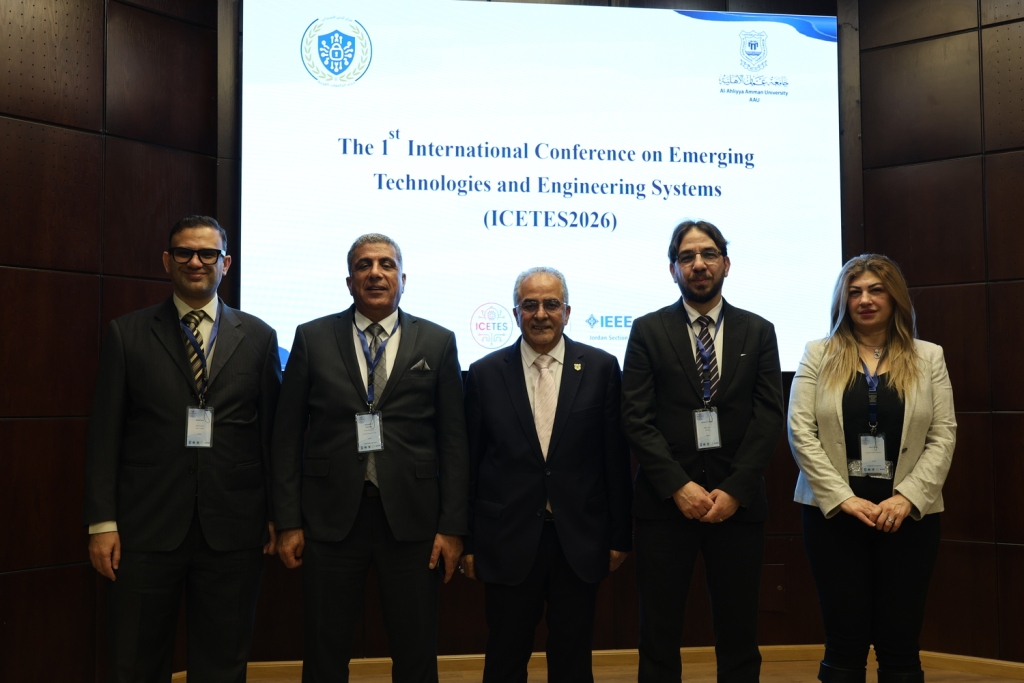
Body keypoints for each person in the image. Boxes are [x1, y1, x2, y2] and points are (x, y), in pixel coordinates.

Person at [83, 215, 282, 683]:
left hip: (234, 529)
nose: (196, 262)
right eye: (184, 253)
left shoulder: (259, 337)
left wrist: (278, 514)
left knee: (223, 663)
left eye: (208, 253)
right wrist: (102, 523)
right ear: (166, 261)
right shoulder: (127, 333)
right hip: (145, 529)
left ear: (225, 263)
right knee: (136, 660)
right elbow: (104, 435)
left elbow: (273, 436)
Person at [271, 233, 469, 683]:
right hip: (329, 519)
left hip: (414, 521)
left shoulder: (438, 341)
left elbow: (455, 441)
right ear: (349, 281)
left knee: (416, 651)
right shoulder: (312, 337)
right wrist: (287, 521)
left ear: (403, 278)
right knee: (324, 651)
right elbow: (286, 437)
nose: (375, 273)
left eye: (386, 264)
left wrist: (453, 527)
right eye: (364, 265)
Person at [621, 219, 784, 682]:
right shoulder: (648, 330)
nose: (699, 264)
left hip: (737, 506)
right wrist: (679, 486)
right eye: (687, 257)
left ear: (726, 264)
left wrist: (734, 490)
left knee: (739, 631)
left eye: (709, 254)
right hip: (665, 505)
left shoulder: (759, 330)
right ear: (673, 269)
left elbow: (768, 417)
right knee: (659, 631)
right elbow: (636, 417)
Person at [788, 254, 955, 683]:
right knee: (844, 639)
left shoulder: (928, 356)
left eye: (876, 290)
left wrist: (908, 498)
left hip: (908, 518)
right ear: (843, 300)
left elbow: (943, 434)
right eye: (855, 291)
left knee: (900, 641)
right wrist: (843, 498)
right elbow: (800, 432)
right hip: (833, 516)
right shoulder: (817, 353)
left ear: (894, 296)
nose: (865, 300)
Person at [461, 267, 633, 683]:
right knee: (505, 655)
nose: (541, 314)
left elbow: (615, 458)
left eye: (551, 304)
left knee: (573, 656)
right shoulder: (484, 373)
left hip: (578, 538)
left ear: (567, 312)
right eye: (530, 305)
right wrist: (467, 541)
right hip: (506, 538)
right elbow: (469, 464)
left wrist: (619, 536)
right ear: (515, 313)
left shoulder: (601, 367)